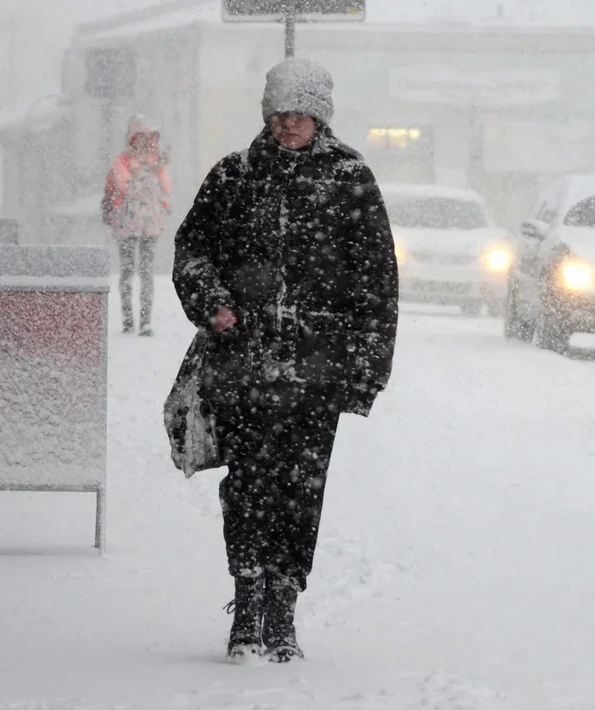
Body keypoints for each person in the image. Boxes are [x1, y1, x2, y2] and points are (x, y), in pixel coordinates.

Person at [171, 58, 399, 663]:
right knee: (246, 486)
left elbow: (377, 283)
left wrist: (367, 371)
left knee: (300, 491)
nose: (289, 123)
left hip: (316, 374)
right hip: (240, 368)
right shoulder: (234, 177)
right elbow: (192, 250)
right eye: (279, 112)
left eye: (300, 111)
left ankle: (283, 607)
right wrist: (212, 303)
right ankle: (246, 603)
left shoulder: (351, 180)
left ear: (321, 114)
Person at [103, 115, 172, 335]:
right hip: (126, 224)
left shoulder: (156, 163)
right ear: (133, 139)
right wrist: (152, 173)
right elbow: (126, 187)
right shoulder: (122, 162)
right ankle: (127, 319)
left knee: (146, 272)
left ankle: (145, 321)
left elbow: (166, 190)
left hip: (150, 224)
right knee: (127, 271)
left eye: (149, 138)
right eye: (141, 138)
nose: (146, 143)